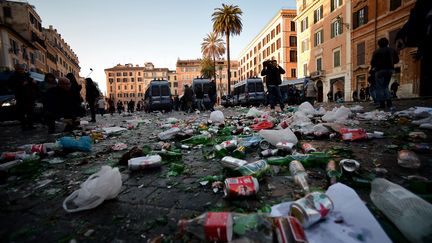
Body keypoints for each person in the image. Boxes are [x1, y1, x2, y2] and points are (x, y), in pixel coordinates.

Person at [370, 37, 399, 109]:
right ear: (387, 43)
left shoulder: (376, 51)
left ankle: (382, 103)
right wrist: (391, 63)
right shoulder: (392, 50)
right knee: (385, 86)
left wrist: (375, 66)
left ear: (379, 44)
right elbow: (396, 60)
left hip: (380, 70)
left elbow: (372, 63)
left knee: (379, 87)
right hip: (390, 70)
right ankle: (389, 102)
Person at [8, 63, 38, 130]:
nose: (22, 70)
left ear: (25, 69)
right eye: (20, 69)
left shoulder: (28, 76)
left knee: (30, 112)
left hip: (30, 97)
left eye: (23, 69)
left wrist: (34, 83)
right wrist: (21, 84)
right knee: (22, 112)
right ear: (17, 69)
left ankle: (30, 125)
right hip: (21, 97)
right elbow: (12, 86)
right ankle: (24, 126)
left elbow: (35, 86)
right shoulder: (14, 77)